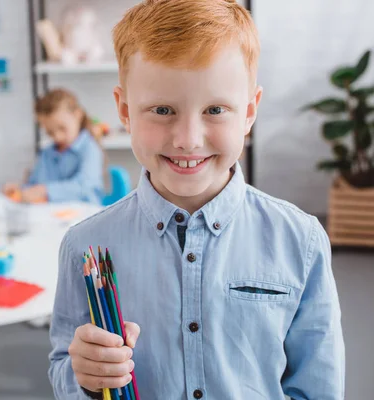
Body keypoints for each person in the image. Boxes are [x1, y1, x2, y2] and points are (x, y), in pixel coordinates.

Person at [48, 0, 345, 399]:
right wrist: (81, 376)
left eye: (215, 109)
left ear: (250, 111)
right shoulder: (84, 246)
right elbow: (62, 368)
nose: (188, 138)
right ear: (124, 110)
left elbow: (318, 387)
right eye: (163, 110)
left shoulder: (302, 241)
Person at [3, 88, 105, 205]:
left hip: (85, 214)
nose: (57, 137)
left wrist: (45, 190)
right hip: (51, 215)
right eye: (50, 132)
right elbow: (35, 183)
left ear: (77, 115)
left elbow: (85, 185)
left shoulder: (90, 149)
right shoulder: (47, 153)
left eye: (62, 128)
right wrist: (20, 190)